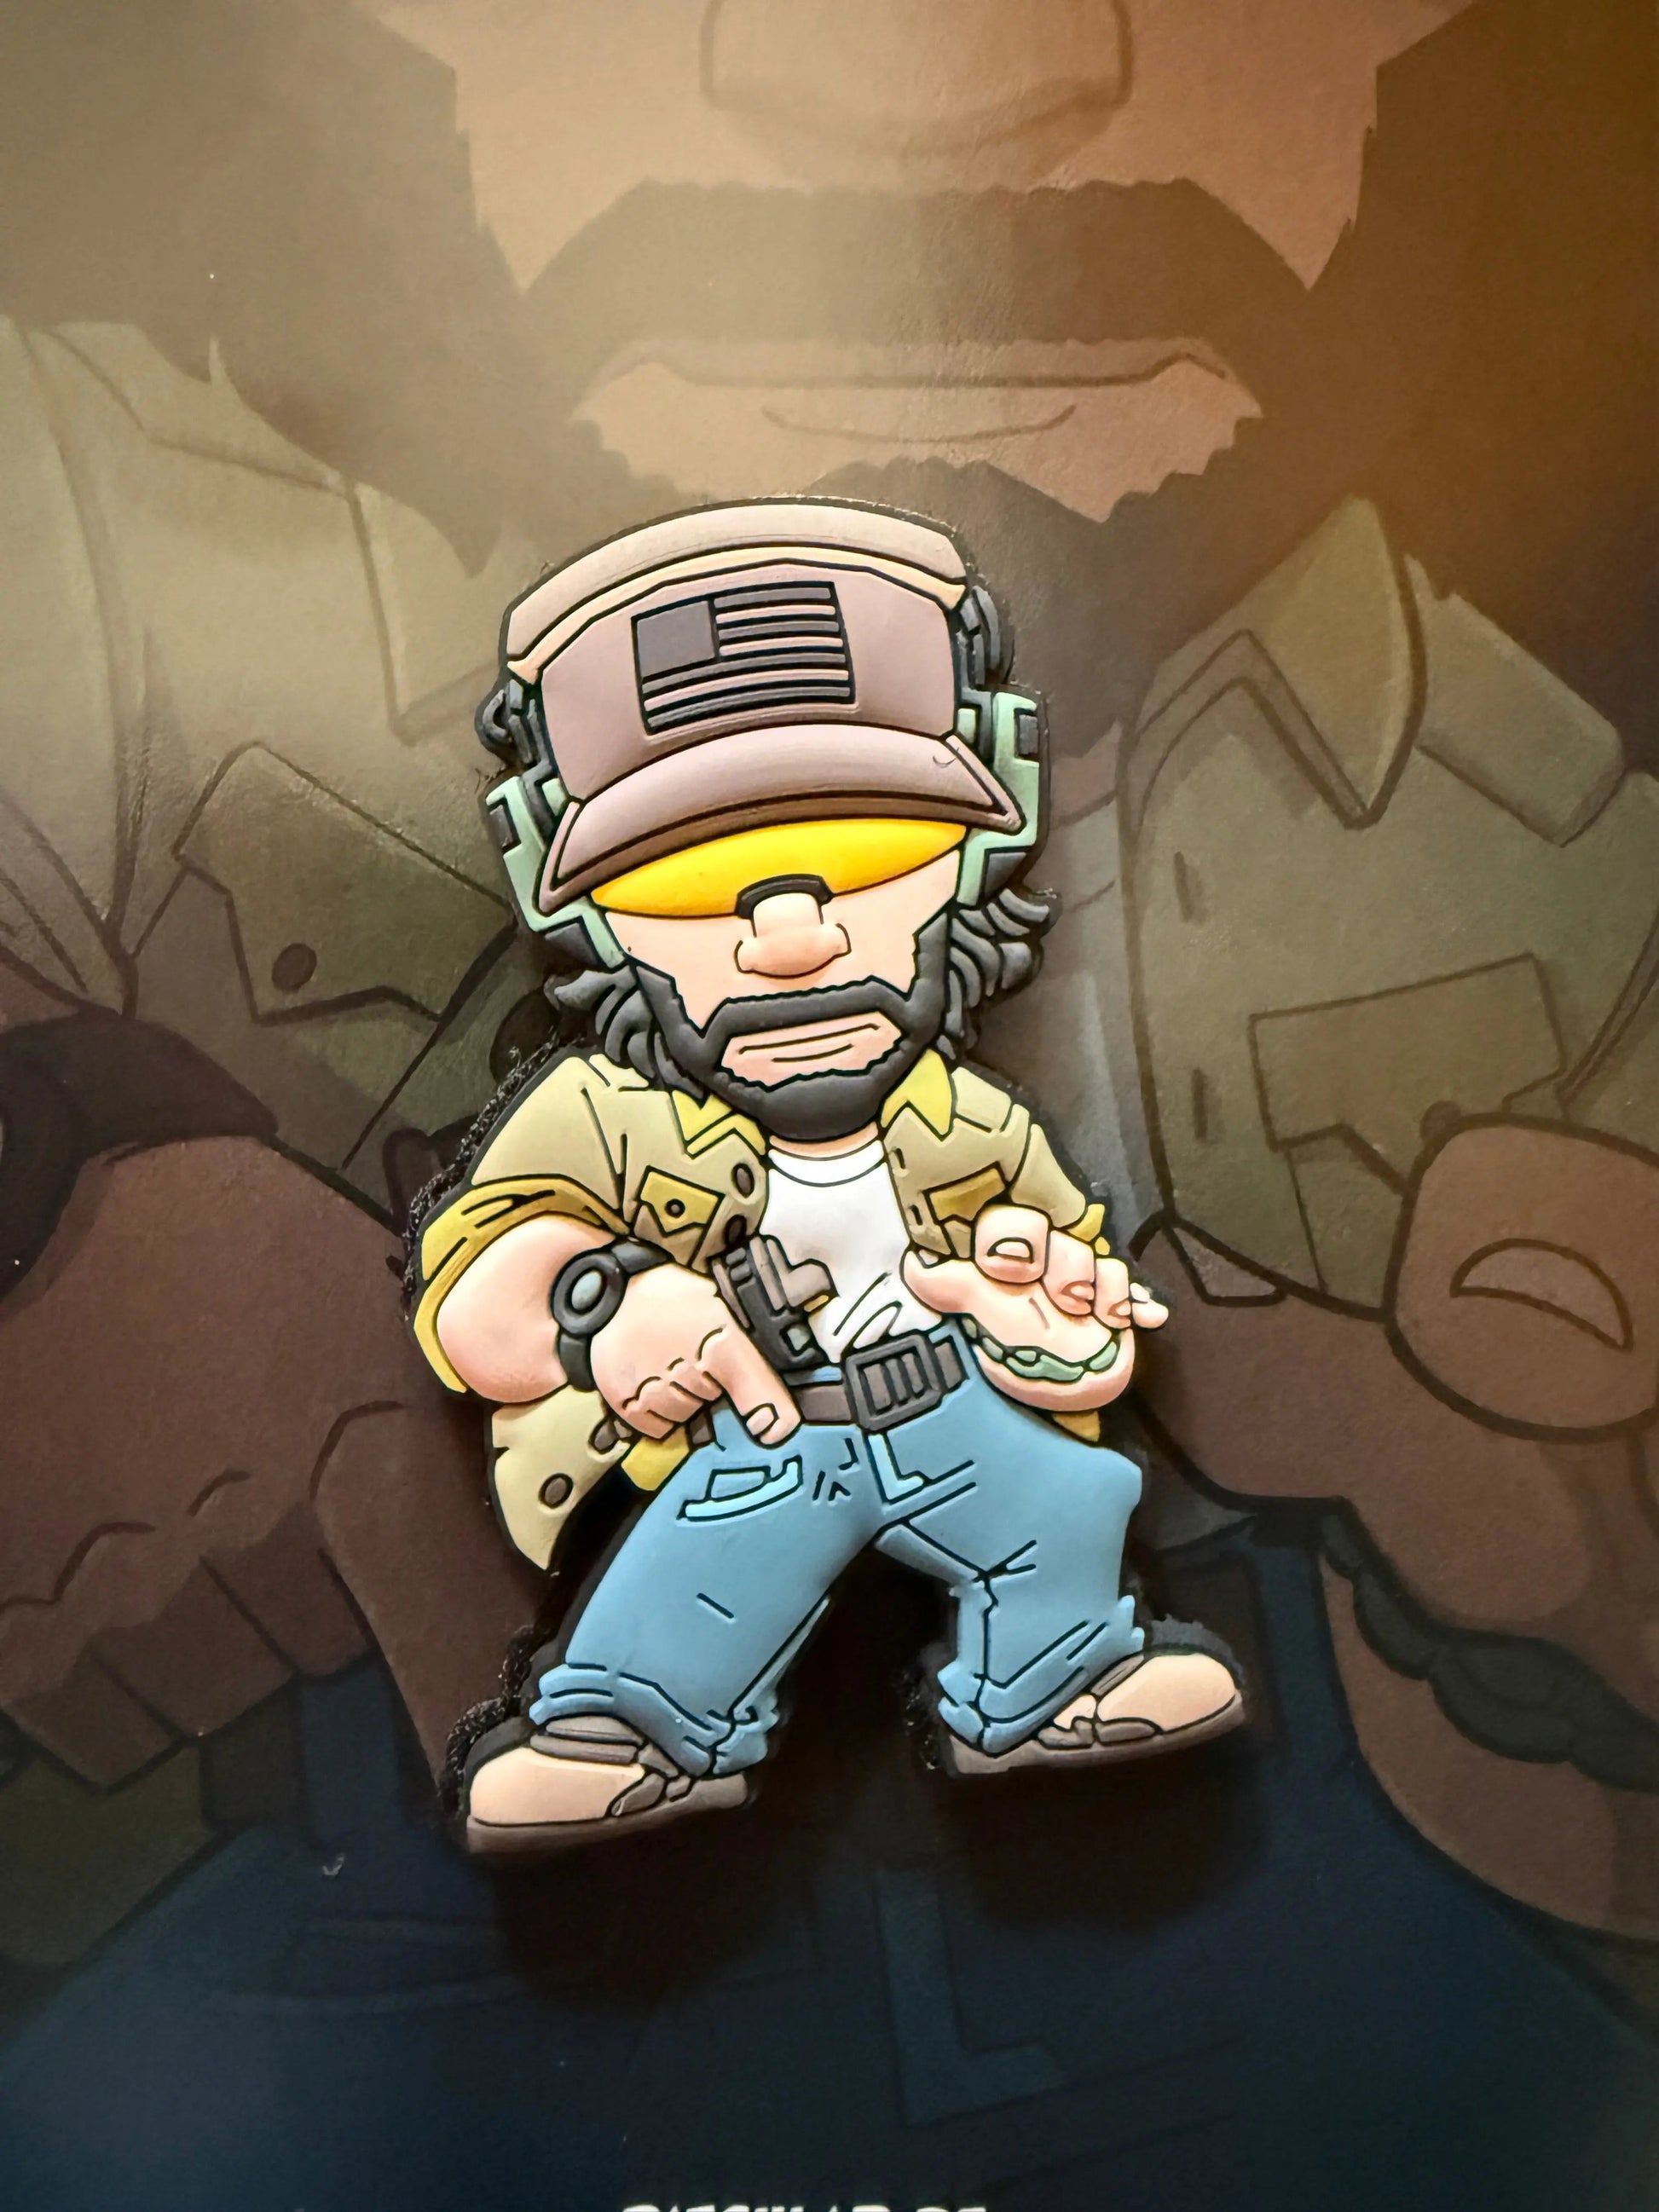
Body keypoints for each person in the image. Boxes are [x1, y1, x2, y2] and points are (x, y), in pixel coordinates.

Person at [406, 499, 1246, 1847]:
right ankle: (632, 1733)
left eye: (866, 863)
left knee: (1066, 1506)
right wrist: (602, 1305)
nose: (791, 940)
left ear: (973, 860)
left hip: (951, 1412)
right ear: (581, 911)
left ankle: (1052, 1679)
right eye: (692, 889)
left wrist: (1057, 1336)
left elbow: (1082, 1338)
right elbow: (475, 1301)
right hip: (762, 1437)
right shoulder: (601, 1115)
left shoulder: (974, 1122)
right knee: (696, 1584)